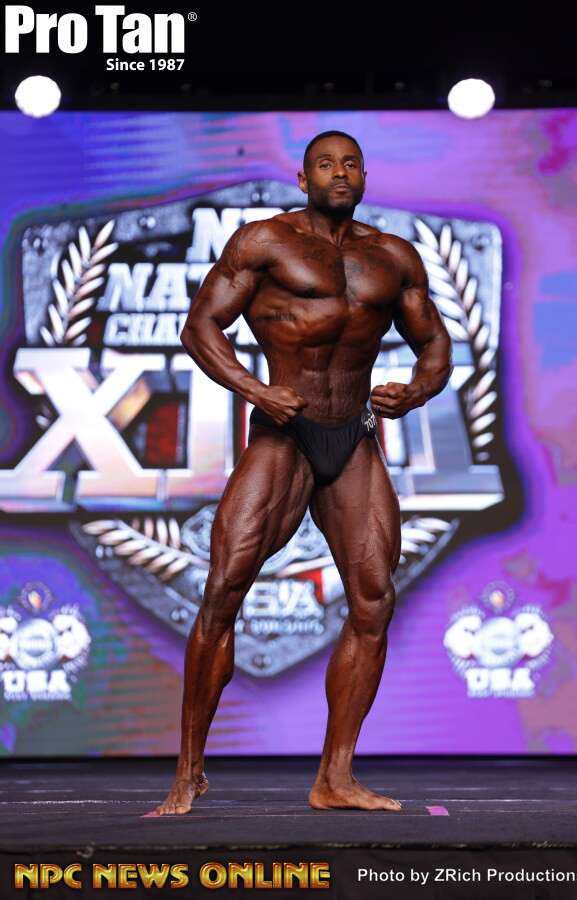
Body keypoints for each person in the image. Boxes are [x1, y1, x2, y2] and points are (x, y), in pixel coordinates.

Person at [157, 130, 452, 815]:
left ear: (365, 176)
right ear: (303, 178)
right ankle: (188, 772)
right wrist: (255, 391)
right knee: (224, 589)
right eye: (325, 164)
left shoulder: (393, 256)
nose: (338, 173)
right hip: (283, 433)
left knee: (374, 600)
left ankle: (335, 777)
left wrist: (416, 390)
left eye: (350, 164)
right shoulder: (266, 241)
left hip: (355, 437)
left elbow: (434, 342)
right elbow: (201, 327)